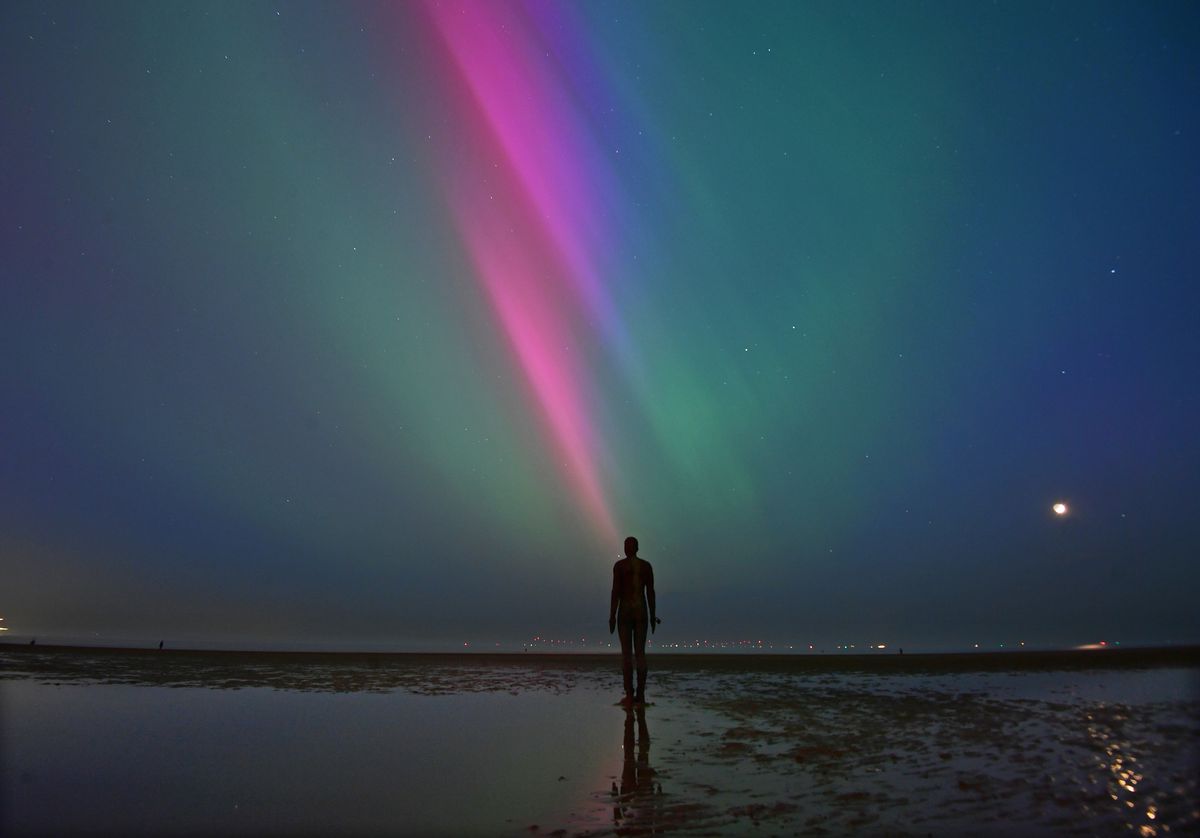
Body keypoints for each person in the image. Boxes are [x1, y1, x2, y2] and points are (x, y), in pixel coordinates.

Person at [609, 536, 658, 704]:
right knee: (639, 654)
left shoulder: (620, 566)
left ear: (633, 548)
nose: (625, 548)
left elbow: (615, 592)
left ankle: (631, 694)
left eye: (627, 545)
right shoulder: (645, 566)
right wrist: (652, 614)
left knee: (627, 655)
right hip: (641, 611)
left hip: (626, 612)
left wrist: (612, 615)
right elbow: (650, 593)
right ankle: (639, 694)